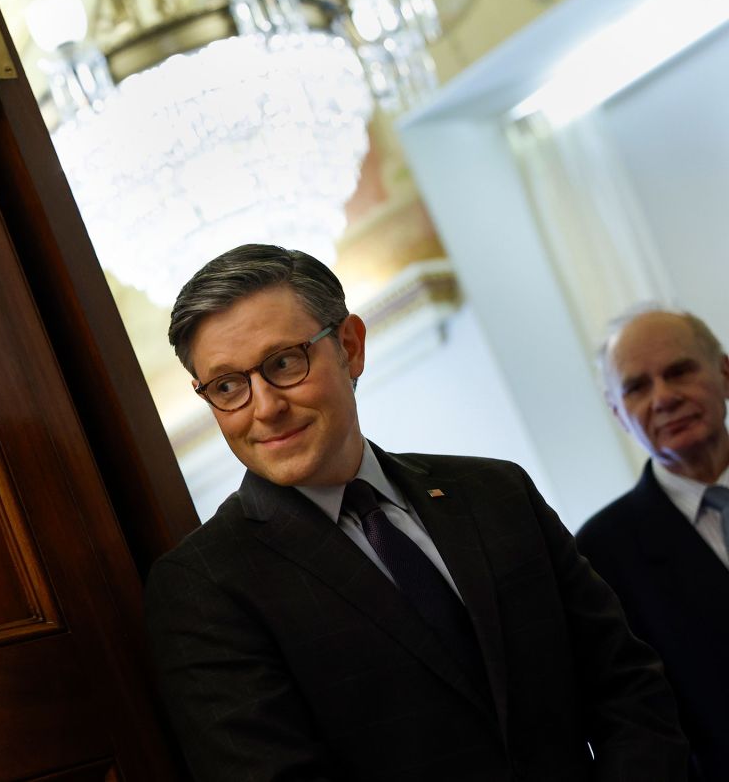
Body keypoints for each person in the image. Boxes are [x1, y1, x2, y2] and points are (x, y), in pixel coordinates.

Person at [145, 244, 686, 781]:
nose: (264, 407)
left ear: (350, 346)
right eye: (227, 386)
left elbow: (626, 685)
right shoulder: (201, 588)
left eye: (284, 363)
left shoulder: (495, 491)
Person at [577, 308, 729, 781]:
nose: (664, 398)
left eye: (679, 371)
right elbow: (635, 721)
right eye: (637, 387)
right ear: (619, 413)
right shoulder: (601, 554)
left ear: (724, 372)